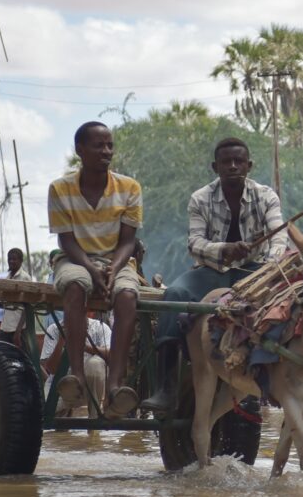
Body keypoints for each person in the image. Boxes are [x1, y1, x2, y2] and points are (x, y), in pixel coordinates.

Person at [142, 137, 287, 413]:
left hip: (254, 271)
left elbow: (279, 237)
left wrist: (269, 268)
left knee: (285, 305)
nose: (233, 166)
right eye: (226, 162)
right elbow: (194, 243)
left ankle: (266, 381)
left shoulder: (266, 196)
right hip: (212, 272)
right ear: (215, 167)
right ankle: (166, 388)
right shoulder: (200, 198)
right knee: (174, 295)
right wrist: (224, 250)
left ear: (249, 165)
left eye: (239, 161)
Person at [47, 121, 143, 417]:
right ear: (80, 150)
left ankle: (115, 383)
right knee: (76, 286)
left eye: (109, 145)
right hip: (74, 259)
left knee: (127, 296)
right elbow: (66, 240)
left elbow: (128, 242)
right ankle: (75, 373)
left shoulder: (129, 187)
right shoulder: (60, 188)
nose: (106, 151)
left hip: (117, 260)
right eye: (98, 145)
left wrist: (112, 270)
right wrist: (90, 268)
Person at [40, 313, 111, 418]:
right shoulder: (54, 329)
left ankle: (94, 419)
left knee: (95, 363)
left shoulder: (99, 327)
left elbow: (111, 354)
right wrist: (62, 341)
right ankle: (66, 410)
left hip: (90, 387)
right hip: (62, 386)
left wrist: (83, 345)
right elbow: (51, 369)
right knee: (42, 412)